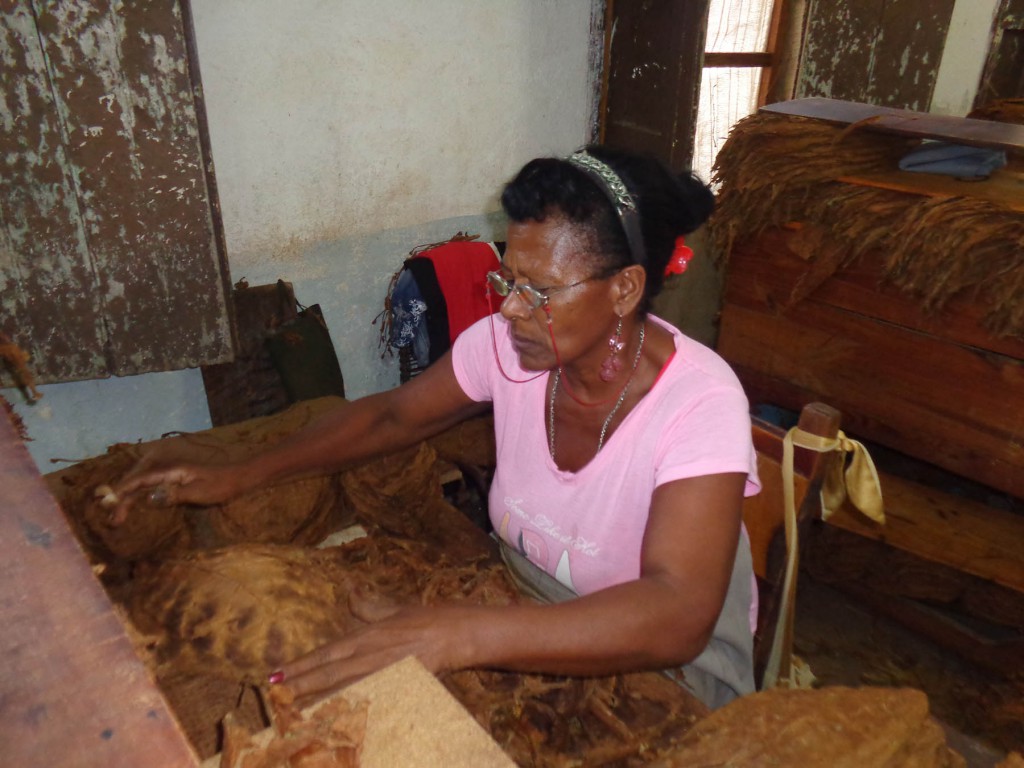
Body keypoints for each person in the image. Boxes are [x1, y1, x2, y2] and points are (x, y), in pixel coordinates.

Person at [115, 146, 761, 710]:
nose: (510, 307)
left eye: (539, 291)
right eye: (509, 277)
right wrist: (237, 477)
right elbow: (390, 416)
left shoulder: (700, 402)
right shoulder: (509, 347)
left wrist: (459, 634)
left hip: (668, 671)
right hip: (523, 605)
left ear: (624, 290)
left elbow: (678, 613)